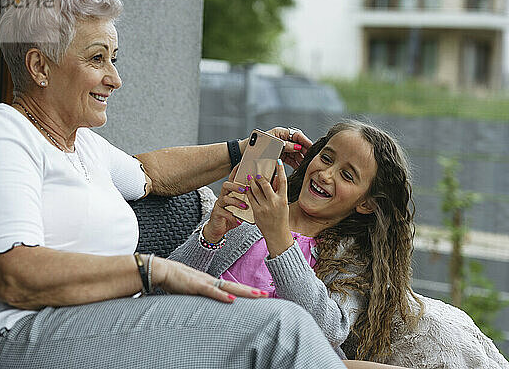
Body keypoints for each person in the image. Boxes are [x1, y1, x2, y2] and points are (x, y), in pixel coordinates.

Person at [0, 0, 348, 369]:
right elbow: (11, 274)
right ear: (39, 66)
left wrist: (246, 149)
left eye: (113, 59)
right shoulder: (0, 131)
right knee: (281, 328)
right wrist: (149, 270)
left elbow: (149, 173)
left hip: (102, 329)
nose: (115, 79)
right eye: (96, 58)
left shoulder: (83, 145)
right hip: (15, 340)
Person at [170, 121, 509, 368]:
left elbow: (331, 329)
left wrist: (279, 239)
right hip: (207, 340)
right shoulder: (248, 211)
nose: (326, 174)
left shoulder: (350, 259)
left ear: (366, 204)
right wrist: (211, 234)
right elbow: (164, 286)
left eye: (348, 175)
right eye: (326, 158)